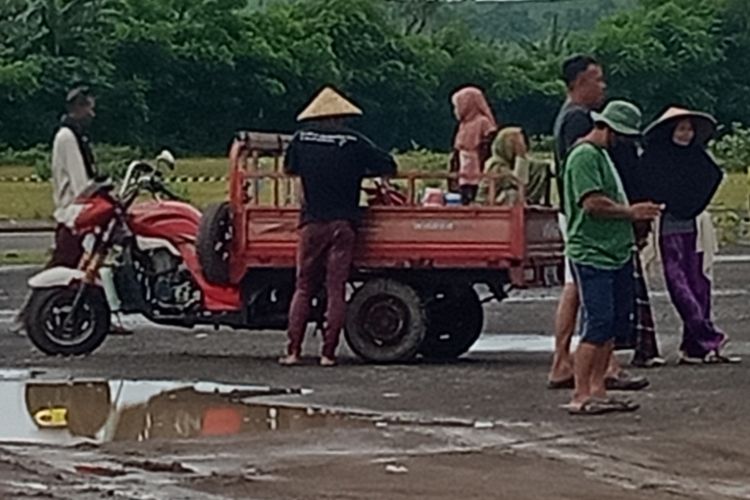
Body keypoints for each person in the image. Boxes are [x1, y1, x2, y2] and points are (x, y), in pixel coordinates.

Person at [547, 55, 652, 389]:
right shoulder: (581, 124)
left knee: (580, 288)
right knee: (588, 294)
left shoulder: (568, 117)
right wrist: (630, 213)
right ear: (580, 82)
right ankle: (589, 371)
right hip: (590, 225)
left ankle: (576, 364)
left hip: (582, 218)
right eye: (598, 79)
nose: (602, 86)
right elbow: (589, 192)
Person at [280, 86, 397, 367]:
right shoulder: (354, 141)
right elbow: (388, 165)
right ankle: (328, 354)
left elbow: (289, 169)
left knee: (304, 287)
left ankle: (293, 352)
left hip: (311, 225)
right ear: (341, 116)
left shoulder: (301, 139)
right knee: (336, 288)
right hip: (343, 225)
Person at [561, 100, 662, 415]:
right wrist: (631, 213)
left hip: (612, 252)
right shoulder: (584, 157)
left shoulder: (601, 155)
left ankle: (598, 389)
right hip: (593, 252)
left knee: (611, 325)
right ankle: (580, 394)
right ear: (609, 128)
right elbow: (592, 203)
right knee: (597, 323)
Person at [12, 87, 131, 336]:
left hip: (76, 211)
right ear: (77, 108)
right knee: (68, 263)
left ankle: (91, 314)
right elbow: (81, 184)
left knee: (87, 263)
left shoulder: (71, 135)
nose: (92, 113)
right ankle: (30, 316)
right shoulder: (69, 137)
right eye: (89, 107)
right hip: (75, 213)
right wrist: (105, 187)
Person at [640, 107, 741, 364]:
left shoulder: (698, 157)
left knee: (699, 284)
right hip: (666, 227)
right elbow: (644, 185)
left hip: (695, 227)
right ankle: (708, 336)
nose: (686, 134)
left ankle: (694, 346)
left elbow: (714, 176)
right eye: (681, 129)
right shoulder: (654, 158)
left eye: (689, 129)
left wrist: (694, 205)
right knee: (678, 284)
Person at [450, 86, 498, 205]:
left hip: (477, 166)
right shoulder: (463, 125)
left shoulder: (483, 122)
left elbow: (488, 145)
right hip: (463, 168)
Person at [482, 126, 550, 205]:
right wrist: (520, 156)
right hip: (489, 207)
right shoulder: (496, 164)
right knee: (512, 194)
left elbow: (536, 166)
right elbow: (518, 182)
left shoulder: (509, 163)